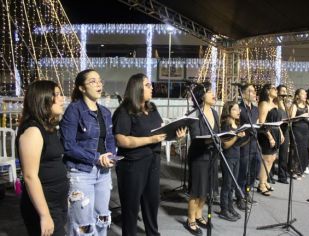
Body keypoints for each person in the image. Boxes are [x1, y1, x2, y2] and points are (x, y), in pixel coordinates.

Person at [112, 73, 185, 236]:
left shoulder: (152, 108)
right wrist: (149, 139)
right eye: (147, 85)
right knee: (131, 209)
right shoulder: (124, 110)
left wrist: (175, 135)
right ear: (137, 88)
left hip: (153, 162)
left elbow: (160, 132)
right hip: (132, 165)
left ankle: (153, 233)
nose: (152, 88)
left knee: (151, 204)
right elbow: (121, 140)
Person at [60, 69, 116, 235]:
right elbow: (68, 145)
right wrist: (97, 158)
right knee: (83, 225)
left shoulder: (105, 112)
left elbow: (110, 139)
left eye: (99, 80)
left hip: (104, 173)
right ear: (82, 88)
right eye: (93, 81)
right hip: (81, 173)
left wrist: (111, 156)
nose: (98, 84)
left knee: (102, 218)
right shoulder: (74, 110)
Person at [17, 80, 68, 236]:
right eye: (57, 95)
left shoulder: (48, 127)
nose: (62, 99)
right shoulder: (33, 130)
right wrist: (45, 215)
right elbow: (30, 176)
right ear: (43, 99)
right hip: (44, 205)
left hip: (56, 203)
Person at [186, 82, 219, 236]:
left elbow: (218, 132)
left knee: (206, 189)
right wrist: (212, 139)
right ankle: (190, 219)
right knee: (197, 190)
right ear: (202, 95)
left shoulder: (215, 112)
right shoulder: (194, 114)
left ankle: (199, 215)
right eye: (210, 91)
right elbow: (195, 137)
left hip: (213, 156)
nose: (214, 94)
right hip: (199, 156)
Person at [219, 101, 246, 221]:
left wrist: (247, 136)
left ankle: (230, 206)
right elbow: (225, 145)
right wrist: (236, 136)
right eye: (235, 109)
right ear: (228, 111)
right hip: (228, 157)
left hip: (237, 156)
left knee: (233, 185)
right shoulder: (226, 125)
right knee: (227, 184)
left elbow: (239, 144)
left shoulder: (238, 125)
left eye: (238, 109)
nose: (238, 111)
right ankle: (224, 209)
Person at [257, 84, 284, 196]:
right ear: (267, 91)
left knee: (272, 158)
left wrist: (281, 133)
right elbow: (262, 122)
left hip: (276, 131)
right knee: (267, 159)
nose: (276, 90)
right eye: (273, 88)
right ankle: (261, 184)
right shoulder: (264, 104)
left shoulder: (274, 103)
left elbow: (278, 121)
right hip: (267, 133)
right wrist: (270, 136)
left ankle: (265, 180)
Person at [236, 83, 259, 209]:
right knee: (243, 171)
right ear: (244, 94)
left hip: (255, 144)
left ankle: (247, 191)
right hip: (244, 144)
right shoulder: (239, 108)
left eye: (254, 91)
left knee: (254, 169)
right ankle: (240, 196)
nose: (254, 93)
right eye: (251, 91)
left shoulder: (255, 109)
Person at [290, 88, 309, 179]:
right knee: (296, 150)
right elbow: (291, 118)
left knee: (303, 150)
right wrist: (301, 116)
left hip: (305, 130)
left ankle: (300, 170)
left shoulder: (307, 106)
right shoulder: (295, 105)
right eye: (303, 94)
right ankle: (294, 170)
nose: (305, 95)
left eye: (306, 94)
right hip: (297, 129)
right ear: (298, 96)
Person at [276, 84, 290, 184]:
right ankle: (269, 174)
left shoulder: (286, 105)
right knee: (272, 153)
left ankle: (282, 175)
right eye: (283, 91)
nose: (285, 93)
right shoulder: (275, 104)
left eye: (285, 91)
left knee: (284, 154)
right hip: (277, 129)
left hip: (285, 130)